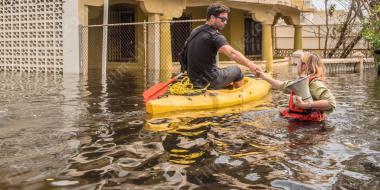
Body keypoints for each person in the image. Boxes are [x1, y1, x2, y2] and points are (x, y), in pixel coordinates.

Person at [185, 3, 262, 89]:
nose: (225, 22)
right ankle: (240, 94)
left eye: (226, 20)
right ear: (212, 18)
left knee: (219, 70)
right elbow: (232, 54)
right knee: (237, 70)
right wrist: (251, 65)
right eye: (223, 19)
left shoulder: (195, 31)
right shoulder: (215, 36)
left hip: (193, 80)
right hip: (209, 81)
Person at [257, 52, 336, 121]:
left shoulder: (314, 83)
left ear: (304, 66)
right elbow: (283, 86)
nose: (296, 65)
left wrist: (305, 105)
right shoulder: (300, 82)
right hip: (302, 122)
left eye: (298, 63)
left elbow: (331, 103)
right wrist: (265, 77)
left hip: (312, 127)